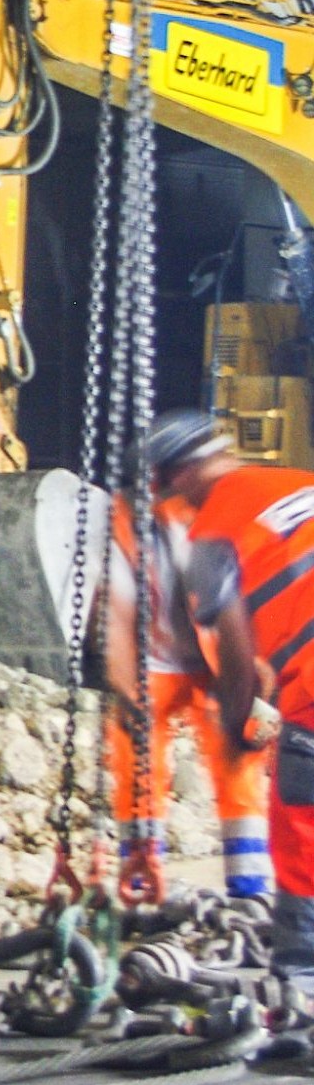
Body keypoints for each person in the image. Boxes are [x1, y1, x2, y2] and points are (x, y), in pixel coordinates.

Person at [149, 410, 314, 982]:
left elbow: (238, 652)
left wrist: (240, 726)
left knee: (301, 824)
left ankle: (301, 979)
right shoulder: (297, 484)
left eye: (171, 489)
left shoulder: (213, 533)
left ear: (182, 474)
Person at [99, 428, 272, 902]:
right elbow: (113, 608)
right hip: (153, 664)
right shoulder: (124, 522)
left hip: (220, 663)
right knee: (135, 756)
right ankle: (141, 871)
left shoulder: (227, 515)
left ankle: (250, 884)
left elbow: (257, 593)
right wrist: (123, 685)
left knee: (242, 757)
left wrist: (258, 677)